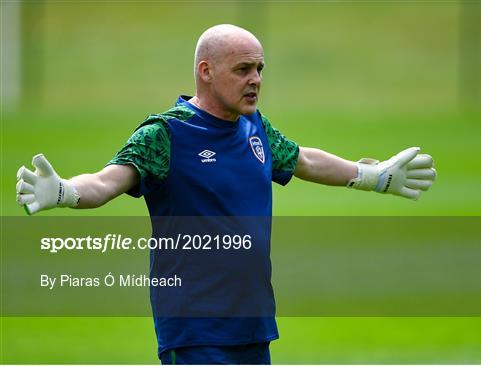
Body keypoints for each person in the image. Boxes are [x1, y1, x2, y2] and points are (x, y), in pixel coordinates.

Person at [15, 24, 436, 364]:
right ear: (206, 71)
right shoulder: (165, 133)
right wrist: (67, 191)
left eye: (259, 69)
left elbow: (302, 159)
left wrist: (372, 176)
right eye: (243, 70)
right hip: (196, 329)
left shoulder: (255, 128)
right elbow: (107, 182)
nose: (255, 80)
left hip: (252, 324)